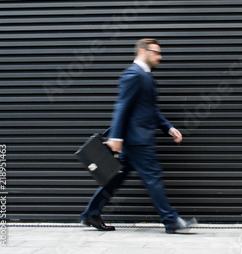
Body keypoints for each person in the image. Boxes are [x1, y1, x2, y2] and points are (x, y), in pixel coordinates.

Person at [81, 38, 197, 233]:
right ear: (143, 51)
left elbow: (149, 109)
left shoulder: (145, 76)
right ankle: (171, 220)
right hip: (137, 140)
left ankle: (91, 214)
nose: (160, 56)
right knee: (153, 177)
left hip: (134, 141)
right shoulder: (133, 75)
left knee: (114, 179)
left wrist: (168, 127)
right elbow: (122, 107)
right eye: (156, 52)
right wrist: (116, 137)